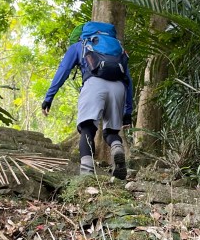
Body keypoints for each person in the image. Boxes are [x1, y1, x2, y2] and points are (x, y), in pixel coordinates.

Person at [42, 22, 133, 180]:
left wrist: (49, 97)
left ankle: (87, 174)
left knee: (87, 129)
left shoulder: (80, 45)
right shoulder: (118, 48)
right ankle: (117, 149)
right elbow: (128, 80)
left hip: (94, 84)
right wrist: (128, 112)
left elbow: (63, 70)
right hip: (118, 88)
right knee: (111, 132)